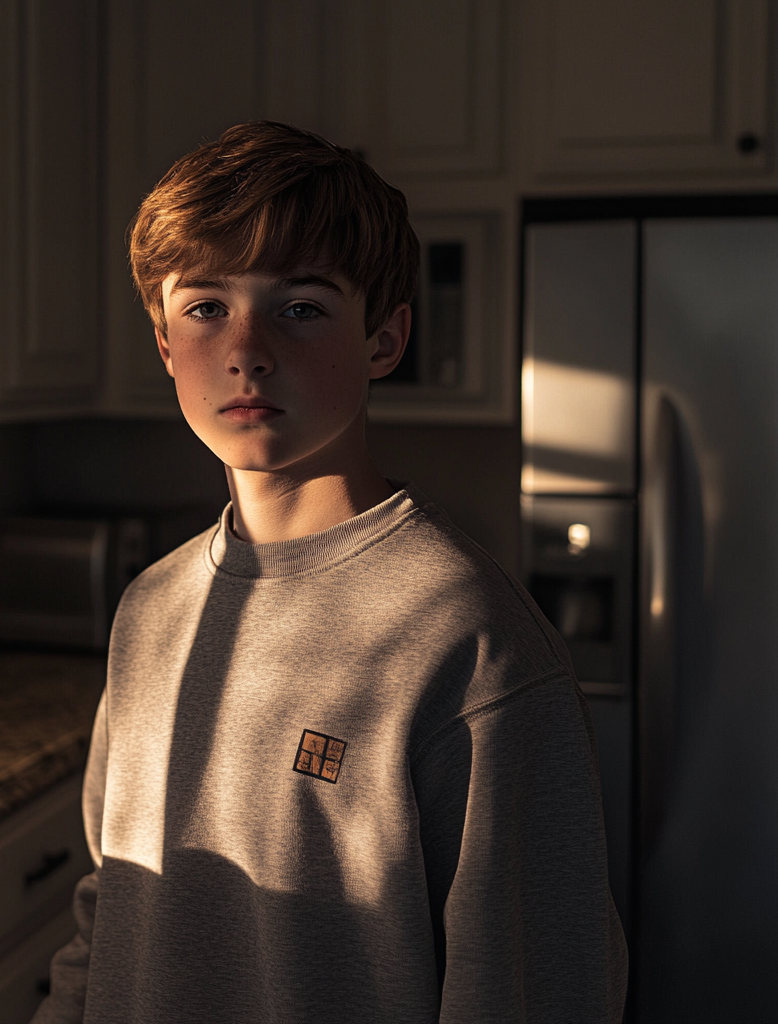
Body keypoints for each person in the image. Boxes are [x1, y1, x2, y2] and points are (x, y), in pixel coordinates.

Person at [32, 121, 627, 1024]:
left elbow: (535, 989)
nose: (247, 348)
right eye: (205, 307)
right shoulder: (151, 608)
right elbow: (112, 904)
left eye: (300, 306)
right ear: (163, 342)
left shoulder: (470, 643)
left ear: (385, 339)